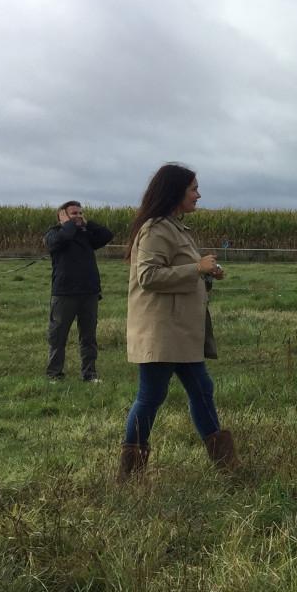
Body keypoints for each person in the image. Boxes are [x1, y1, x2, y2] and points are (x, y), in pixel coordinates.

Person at [118, 163, 237, 480]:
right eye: (193, 189)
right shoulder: (155, 229)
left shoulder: (175, 227)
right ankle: (129, 473)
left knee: (202, 389)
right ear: (176, 192)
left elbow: (179, 271)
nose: (198, 195)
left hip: (180, 332)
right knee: (151, 397)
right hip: (163, 332)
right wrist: (196, 268)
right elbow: (148, 276)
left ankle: (226, 465)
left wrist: (206, 272)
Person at [44, 200, 113, 382]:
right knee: (58, 336)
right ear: (62, 217)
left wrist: (87, 223)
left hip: (88, 293)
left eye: (81, 213)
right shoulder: (54, 234)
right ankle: (54, 374)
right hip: (64, 293)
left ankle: (89, 374)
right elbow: (63, 238)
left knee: (88, 337)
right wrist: (68, 223)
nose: (79, 216)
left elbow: (107, 235)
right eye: (74, 213)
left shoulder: (86, 235)